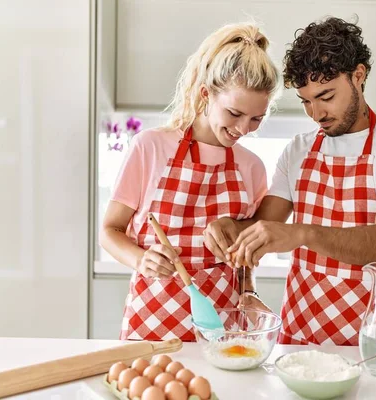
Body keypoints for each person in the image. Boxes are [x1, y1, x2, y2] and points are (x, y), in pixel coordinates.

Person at [204, 17, 376, 346]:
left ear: (358, 75)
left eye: (326, 96)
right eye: (306, 101)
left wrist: (302, 233)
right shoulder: (298, 150)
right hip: (299, 342)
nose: (316, 113)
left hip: (370, 343)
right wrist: (230, 229)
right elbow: (264, 228)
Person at [100, 23, 280, 341]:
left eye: (256, 118)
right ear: (205, 95)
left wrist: (248, 289)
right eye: (234, 113)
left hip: (220, 327)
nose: (244, 129)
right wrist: (141, 259)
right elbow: (109, 232)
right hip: (151, 322)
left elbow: (245, 253)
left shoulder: (251, 168)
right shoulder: (150, 147)